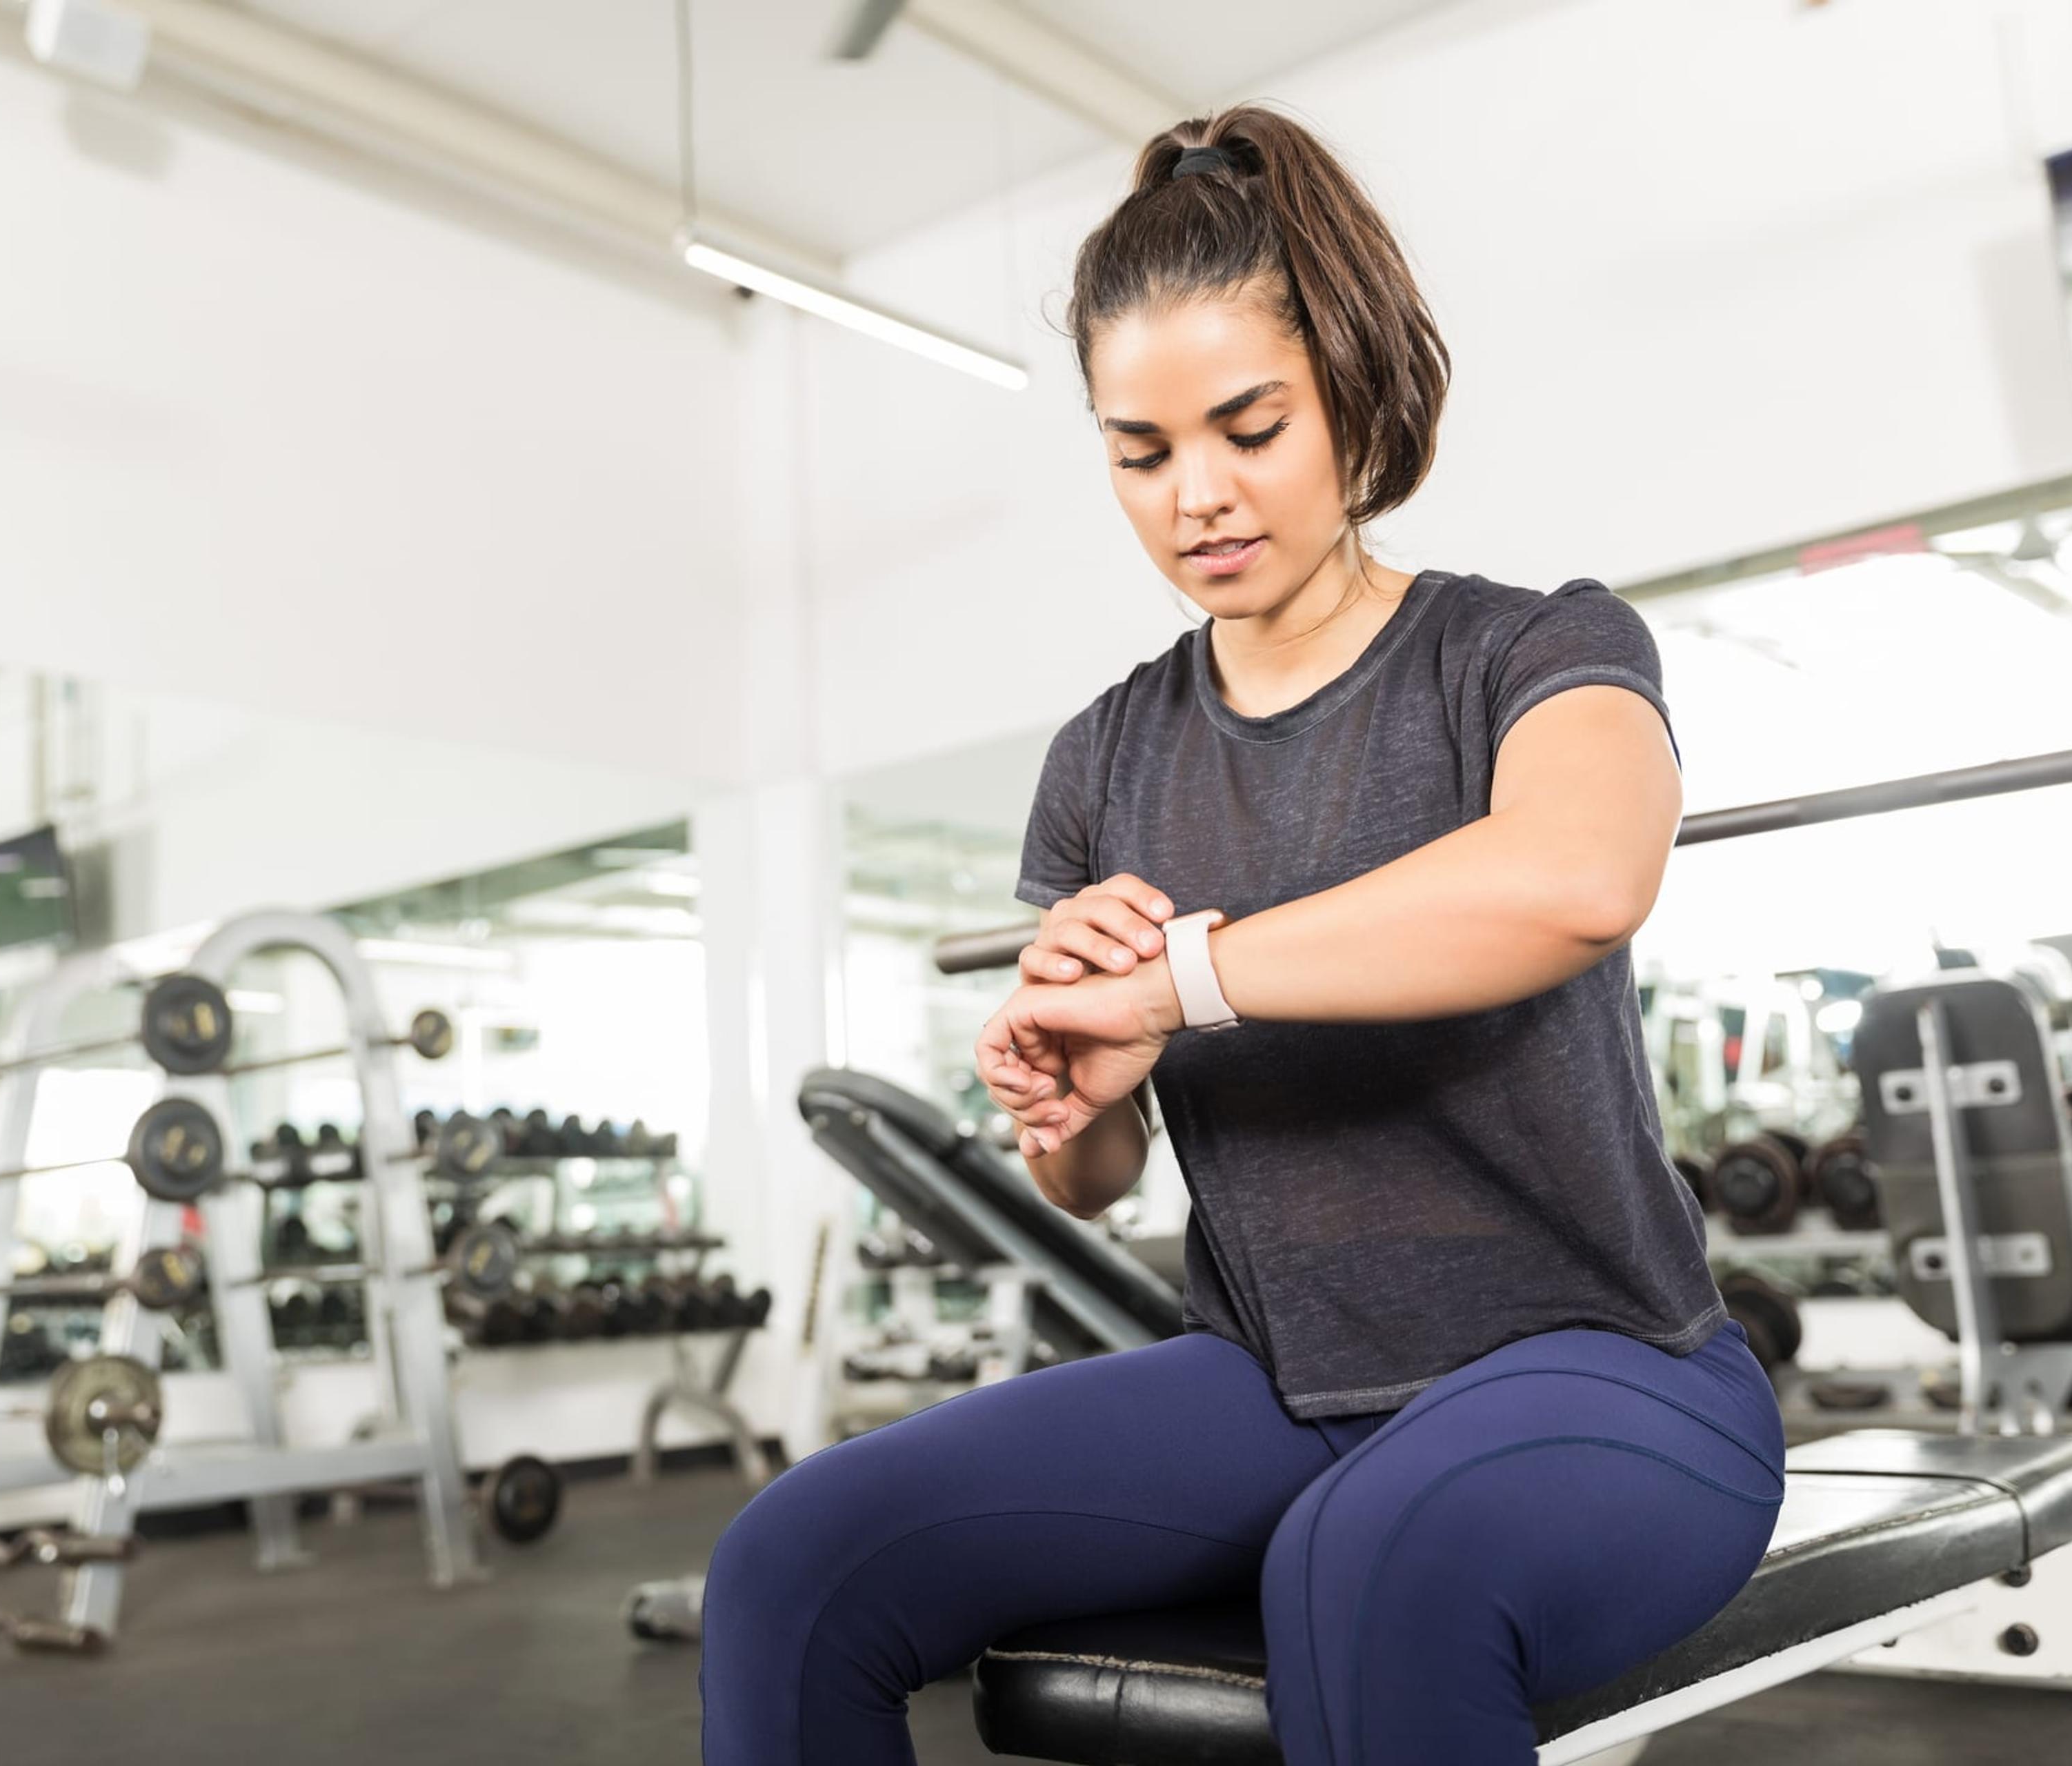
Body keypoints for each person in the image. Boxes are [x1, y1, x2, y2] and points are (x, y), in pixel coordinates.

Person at [699, 106, 1783, 1766]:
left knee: (1367, 1564)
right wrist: (1072, 1089)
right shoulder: (1107, 756)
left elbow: (1574, 877)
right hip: (1275, 1383)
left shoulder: (1529, 650)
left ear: (1351, 384)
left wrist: (1180, 974)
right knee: (791, 1557)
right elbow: (1094, 1184)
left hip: (1607, 1368)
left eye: (1248, 426)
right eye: (1140, 451)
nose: (1195, 495)